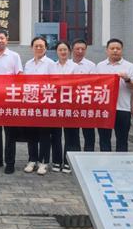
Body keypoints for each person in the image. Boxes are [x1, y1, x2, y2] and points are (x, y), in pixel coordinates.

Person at [0, 29, 23, 170]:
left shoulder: (14, 56)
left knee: (9, 132)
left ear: (7, 39)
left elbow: (19, 76)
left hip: (9, 100)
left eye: (2, 38)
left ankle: (10, 162)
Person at [95, 38, 133, 152]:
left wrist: (127, 79)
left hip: (122, 108)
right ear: (107, 50)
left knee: (122, 141)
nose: (115, 51)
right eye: (112, 48)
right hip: (104, 109)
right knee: (104, 140)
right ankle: (106, 161)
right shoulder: (100, 66)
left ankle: (120, 162)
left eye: (118, 48)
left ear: (122, 50)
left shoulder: (130, 66)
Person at [20, 36, 55, 175]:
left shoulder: (50, 64)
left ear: (46, 48)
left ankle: (43, 162)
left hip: (45, 104)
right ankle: (32, 160)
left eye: (41, 46)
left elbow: (54, 84)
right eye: (36, 46)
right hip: (31, 104)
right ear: (32, 48)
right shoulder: (28, 63)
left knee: (44, 134)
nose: (38, 48)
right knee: (31, 134)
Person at [63, 38, 96, 172]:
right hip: (70, 106)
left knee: (89, 135)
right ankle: (70, 162)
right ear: (72, 50)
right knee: (71, 135)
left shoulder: (91, 66)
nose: (80, 51)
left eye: (83, 49)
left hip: (86, 105)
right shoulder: (66, 65)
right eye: (77, 49)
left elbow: (94, 84)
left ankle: (88, 162)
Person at [49, 40, 75, 173]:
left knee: (70, 134)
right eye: (60, 50)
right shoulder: (52, 66)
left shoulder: (75, 66)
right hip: (55, 104)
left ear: (69, 51)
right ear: (56, 52)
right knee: (56, 134)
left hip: (71, 104)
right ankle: (57, 161)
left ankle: (68, 162)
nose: (63, 52)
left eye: (65, 50)